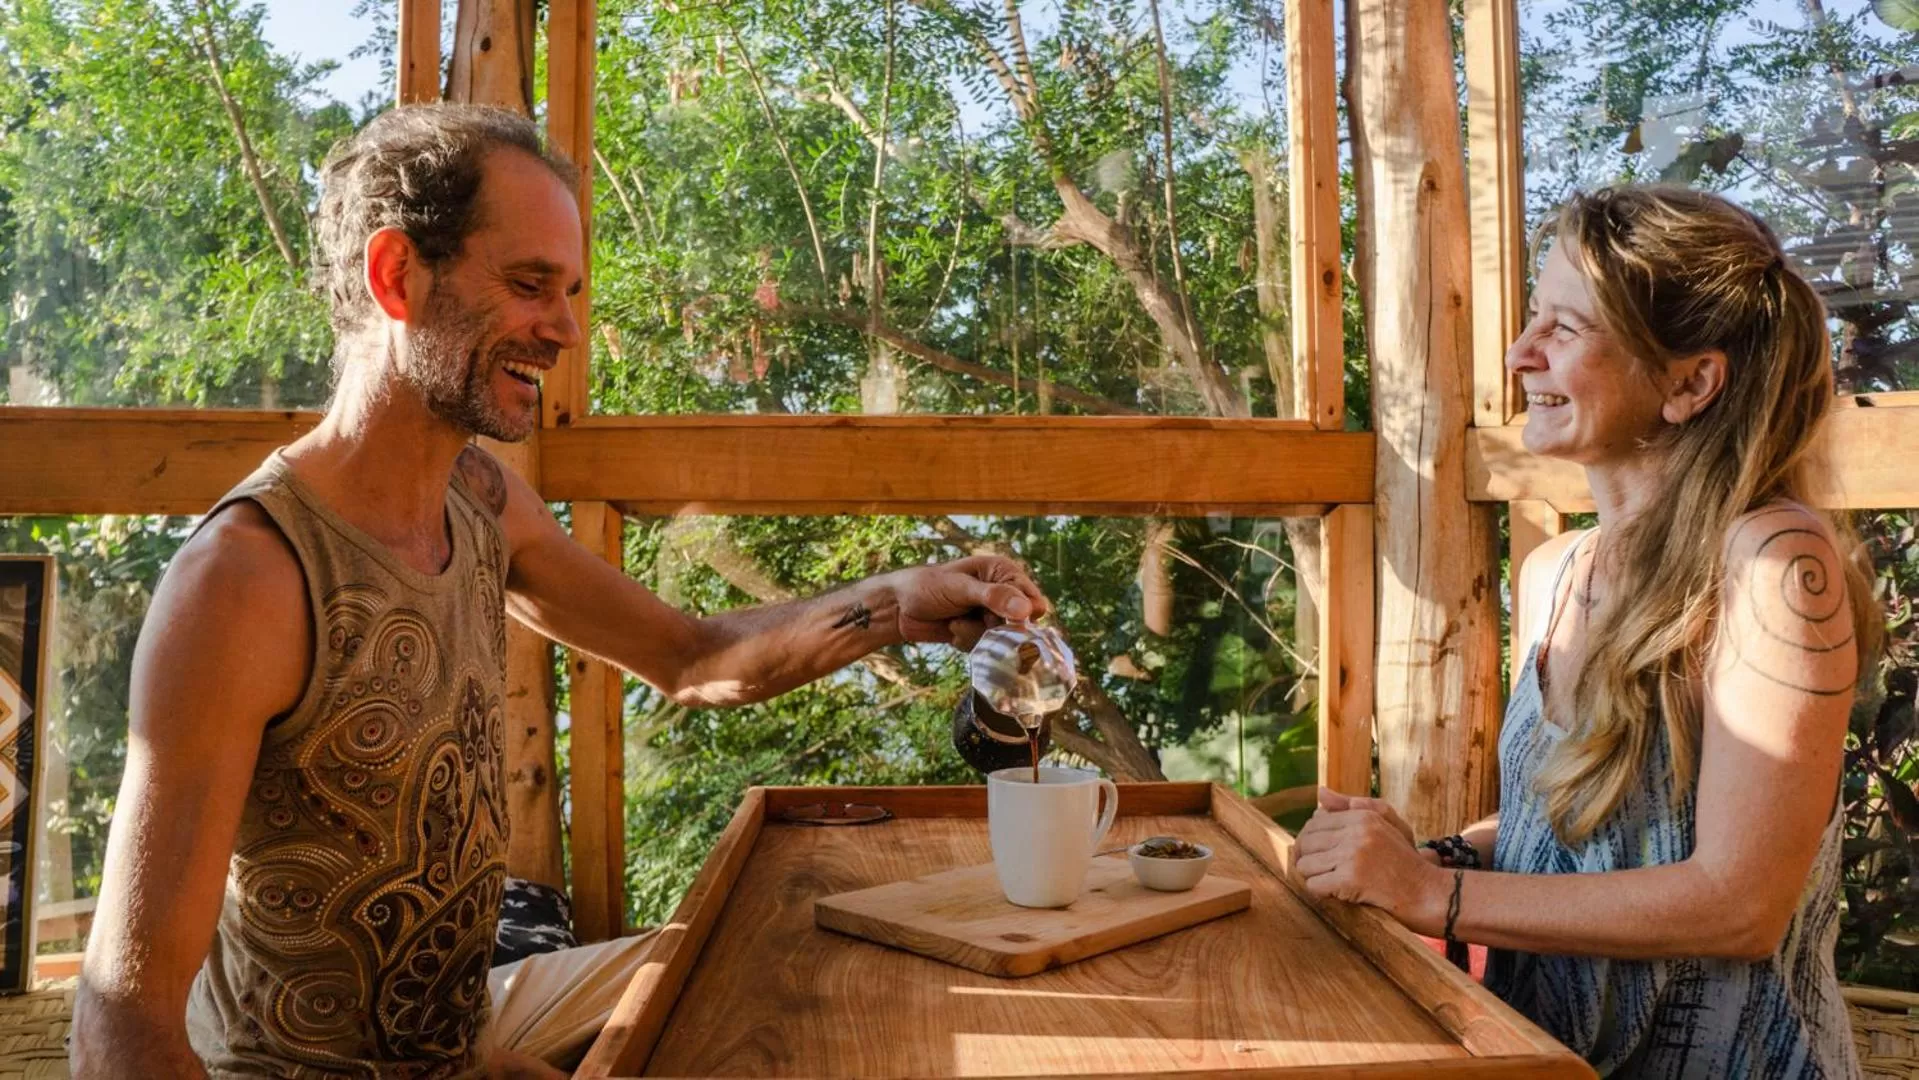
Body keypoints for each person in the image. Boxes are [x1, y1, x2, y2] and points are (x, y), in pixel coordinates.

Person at [70, 104, 1050, 1080]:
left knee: (772, 965)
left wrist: (900, 602)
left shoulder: (481, 501)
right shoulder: (246, 579)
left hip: (466, 1041)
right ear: (395, 275)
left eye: (570, 290)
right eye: (530, 284)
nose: (565, 329)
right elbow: (120, 1031)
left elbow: (694, 659)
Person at [1294, 185, 1878, 1078]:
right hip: (1547, 1058)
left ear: (1689, 382)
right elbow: (1578, 825)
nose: (1519, 353)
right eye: (1533, 319)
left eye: (1563, 330)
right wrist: (1426, 852)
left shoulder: (1772, 566)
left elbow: (1739, 904)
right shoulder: (1556, 572)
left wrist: (1430, 893)